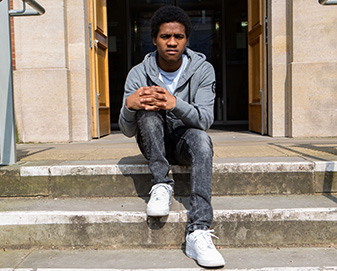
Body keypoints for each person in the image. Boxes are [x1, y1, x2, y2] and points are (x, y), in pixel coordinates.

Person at [118, 5, 225, 268]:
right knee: (147, 110)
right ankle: (161, 183)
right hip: (152, 141)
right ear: (154, 39)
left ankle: (198, 230)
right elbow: (127, 130)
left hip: (183, 141)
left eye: (179, 37)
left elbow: (205, 120)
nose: (172, 42)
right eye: (166, 36)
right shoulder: (137, 73)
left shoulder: (203, 70)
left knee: (202, 140)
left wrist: (174, 103)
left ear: (187, 40)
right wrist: (129, 106)